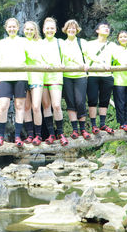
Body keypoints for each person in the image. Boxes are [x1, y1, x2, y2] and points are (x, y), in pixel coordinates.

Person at [0, 17, 29, 147]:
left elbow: (32, 59)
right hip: (5, 77)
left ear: (18, 28)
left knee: (20, 107)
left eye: (14, 26)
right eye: (10, 27)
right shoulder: (1, 43)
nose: (12, 29)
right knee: (3, 106)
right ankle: (0, 136)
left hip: (21, 77)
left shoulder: (24, 41)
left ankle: (18, 136)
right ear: (6, 28)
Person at [86, 21, 119, 135]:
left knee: (104, 100)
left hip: (107, 75)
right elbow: (90, 56)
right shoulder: (89, 44)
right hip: (93, 75)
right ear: (97, 31)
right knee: (92, 100)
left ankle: (103, 124)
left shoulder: (112, 45)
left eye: (108, 27)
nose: (106, 29)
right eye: (103, 27)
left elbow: (120, 57)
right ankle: (94, 125)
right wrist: (101, 63)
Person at [60, 19, 90, 141]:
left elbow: (88, 55)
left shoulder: (81, 42)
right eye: (69, 28)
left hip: (80, 76)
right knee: (70, 102)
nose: (71, 30)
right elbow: (60, 57)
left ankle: (83, 128)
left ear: (77, 30)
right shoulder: (62, 43)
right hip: (67, 76)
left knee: (80, 101)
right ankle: (74, 130)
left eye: (73, 28)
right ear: (65, 30)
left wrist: (87, 64)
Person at [39, 17, 66, 145]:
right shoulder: (39, 43)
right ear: (43, 30)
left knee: (56, 105)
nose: (49, 30)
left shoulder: (60, 42)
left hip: (56, 76)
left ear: (55, 30)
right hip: (43, 77)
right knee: (46, 106)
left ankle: (60, 133)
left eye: (52, 28)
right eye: (47, 28)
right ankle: (51, 134)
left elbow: (66, 57)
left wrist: (63, 65)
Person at [22, 21, 44, 146]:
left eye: (32, 30)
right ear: (24, 30)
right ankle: (30, 135)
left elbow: (40, 58)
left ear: (35, 31)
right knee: (26, 108)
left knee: (36, 107)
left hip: (36, 77)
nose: (29, 32)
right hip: (24, 77)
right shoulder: (20, 43)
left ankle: (38, 135)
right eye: (27, 29)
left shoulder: (40, 43)